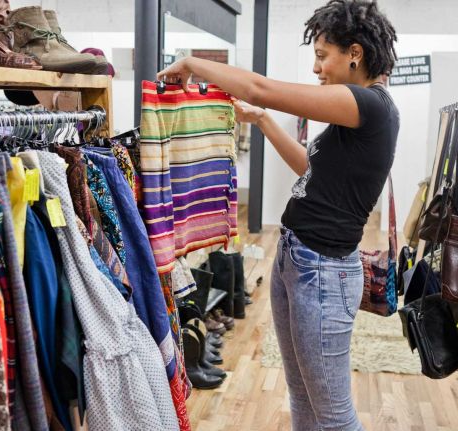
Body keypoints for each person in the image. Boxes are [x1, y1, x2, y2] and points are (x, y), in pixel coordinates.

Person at [159, 0, 399, 429]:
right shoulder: (357, 113)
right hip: (298, 260)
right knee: (303, 397)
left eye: (322, 55)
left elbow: (260, 87)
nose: (316, 68)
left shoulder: (372, 106)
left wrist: (193, 62)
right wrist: (263, 121)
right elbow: (313, 170)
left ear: (355, 53)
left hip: (324, 271)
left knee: (334, 415)